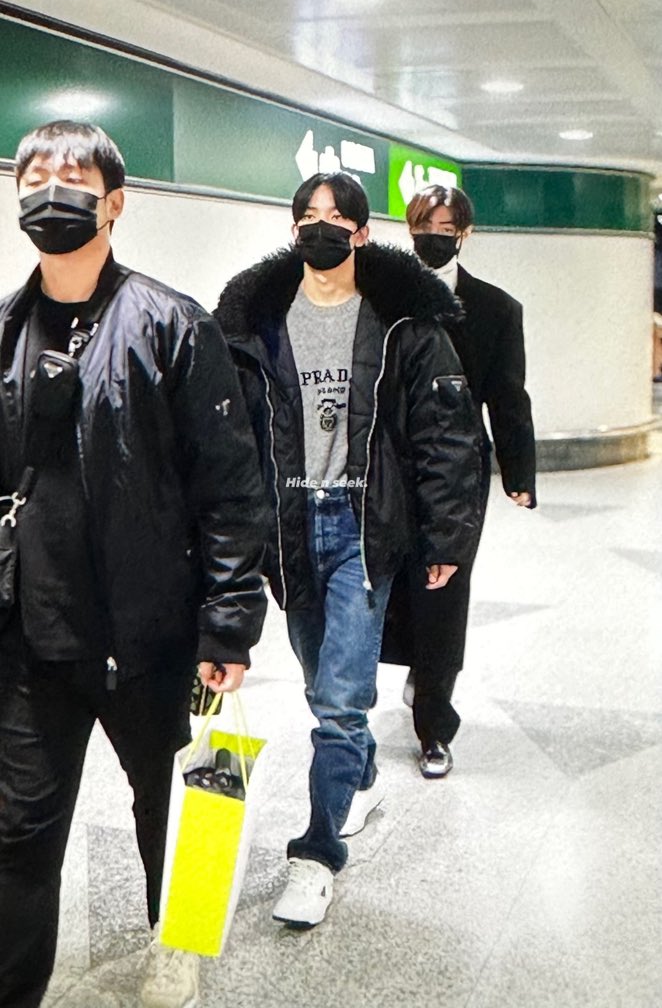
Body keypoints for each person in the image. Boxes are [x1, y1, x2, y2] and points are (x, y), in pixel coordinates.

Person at [0, 120, 267, 1008]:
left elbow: (230, 485)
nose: (51, 189)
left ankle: (179, 941)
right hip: (34, 637)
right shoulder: (5, 328)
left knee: (181, 806)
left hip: (153, 634)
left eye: (73, 175)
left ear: (115, 203)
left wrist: (229, 623)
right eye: (34, 174)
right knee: (17, 833)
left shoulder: (172, 325)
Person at [214, 171, 482, 928]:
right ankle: (361, 773)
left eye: (335, 217)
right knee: (318, 684)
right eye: (307, 215)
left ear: (362, 233)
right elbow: (230, 440)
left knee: (338, 699)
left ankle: (317, 855)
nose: (319, 226)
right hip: (290, 528)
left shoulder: (403, 325)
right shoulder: (257, 326)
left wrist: (445, 534)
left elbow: (447, 436)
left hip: (366, 528)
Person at [384, 183, 536, 779]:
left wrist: (518, 473)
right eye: (423, 226)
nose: (433, 237)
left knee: (444, 592)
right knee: (396, 585)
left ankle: (434, 726)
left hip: (457, 472)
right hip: (390, 467)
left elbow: (508, 396)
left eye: (445, 229)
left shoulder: (495, 309)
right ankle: (417, 671)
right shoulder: (383, 298)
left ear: (464, 234)